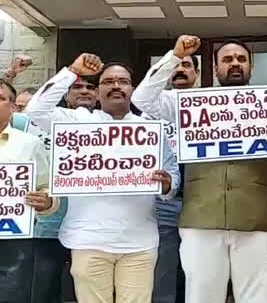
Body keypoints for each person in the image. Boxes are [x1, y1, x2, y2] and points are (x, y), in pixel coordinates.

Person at [129, 36, 267, 303]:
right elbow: (142, 98)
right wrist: (174, 57)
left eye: (241, 59)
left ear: (251, 68)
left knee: (257, 297)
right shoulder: (189, 104)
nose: (235, 64)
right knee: (201, 297)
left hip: (256, 220)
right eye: (227, 59)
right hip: (201, 219)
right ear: (215, 67)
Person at [25, 54, 179, 303]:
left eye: (123, 81)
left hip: (139, 242)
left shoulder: (151, 129)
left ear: (132, 89)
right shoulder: (77, 122)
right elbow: (35, 110)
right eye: (108, 82)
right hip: (88, 240)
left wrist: (167, 183)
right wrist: (72, 71)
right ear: (97, 92)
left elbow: (172, 179)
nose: (116, 86)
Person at [132, 45, 200, 303]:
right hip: (165, 202)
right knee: (164, 271)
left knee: (198, 271)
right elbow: (141, 96)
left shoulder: (212, 105)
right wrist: (174, 56)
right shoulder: (153, 109)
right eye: (176, 66)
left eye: (187, 65)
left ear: (198, 73)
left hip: (202, 201)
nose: (181, 70)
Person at [0, 79, 62, 303]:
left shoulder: (30, 143)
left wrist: (46, 202)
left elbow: (47, 189)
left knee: (12, 296)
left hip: (14, 239)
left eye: (0, 99)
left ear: (14, 107)